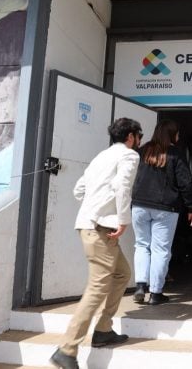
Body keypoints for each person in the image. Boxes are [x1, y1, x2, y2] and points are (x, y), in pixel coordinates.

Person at [50, 118, 143, 369]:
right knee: (96, 289)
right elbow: (123, 186)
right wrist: (122, 220)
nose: (139, 141)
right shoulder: (129, 156)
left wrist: (96, 207)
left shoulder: (101, 157)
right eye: (139, 136)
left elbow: (79, 190)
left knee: (122, 273)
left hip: (90, 225)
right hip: (101, 230)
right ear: (131, 137)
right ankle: (67, 349)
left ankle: (103, 329)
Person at [131, 119, 192, 305]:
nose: (179, 137)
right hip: (165, 208)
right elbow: (185, 182)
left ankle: (140, 286)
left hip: (139, 205)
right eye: (177, 133)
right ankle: (156, 293)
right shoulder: (175, 153)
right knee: (160, 250)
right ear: (173, 134)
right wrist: (191, 207)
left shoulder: (142, 150)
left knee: (141, 245)